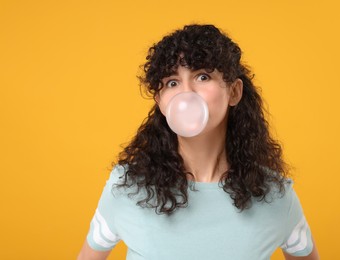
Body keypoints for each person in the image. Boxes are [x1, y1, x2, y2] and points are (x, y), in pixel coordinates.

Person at [78, 24, 320, 260]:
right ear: (160, 101)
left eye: (202, 76)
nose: (187, 92)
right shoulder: (127, 187)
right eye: (172, 82)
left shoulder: (275, 196)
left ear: (234, 92)